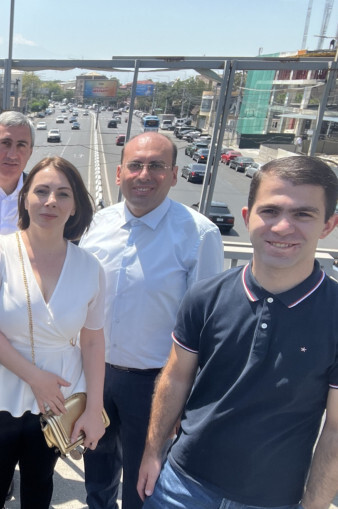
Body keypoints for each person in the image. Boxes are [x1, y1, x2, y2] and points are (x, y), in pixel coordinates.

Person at [138, 156, 338, 509]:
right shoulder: (205, 296)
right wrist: (153, 453)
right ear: (247, 217)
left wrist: (313, 505)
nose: (282, 227)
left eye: (303, 214)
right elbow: (176, 377)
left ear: (328, 225)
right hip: (180, 486)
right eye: (270, 211)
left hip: (273, 500)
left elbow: (335, 429)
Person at [80, 132, 224, 509]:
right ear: (119, 173)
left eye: (156, 166)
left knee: (143, 486)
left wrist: (187, 401)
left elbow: (208, 326)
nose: (144, 174)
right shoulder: (98, 224)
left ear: (174, 175)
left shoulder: (198, 234)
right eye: (135, 165)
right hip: (94, 374)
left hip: (155, 384)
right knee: (96, 474)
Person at [0, 156, 106, 509]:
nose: (50, 201)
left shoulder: (90, 267)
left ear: (75, 206)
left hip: (60, 391)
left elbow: (92, 340)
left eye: (63, 194)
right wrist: (36, 379)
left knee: (41, 475)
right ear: (25, 199)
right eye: (41, 191)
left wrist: (94, 407)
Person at [0, 111, 35, 241]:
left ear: (30, 152)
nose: (12, 155)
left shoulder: (40, 196)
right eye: (5, 143)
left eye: (21, 145)